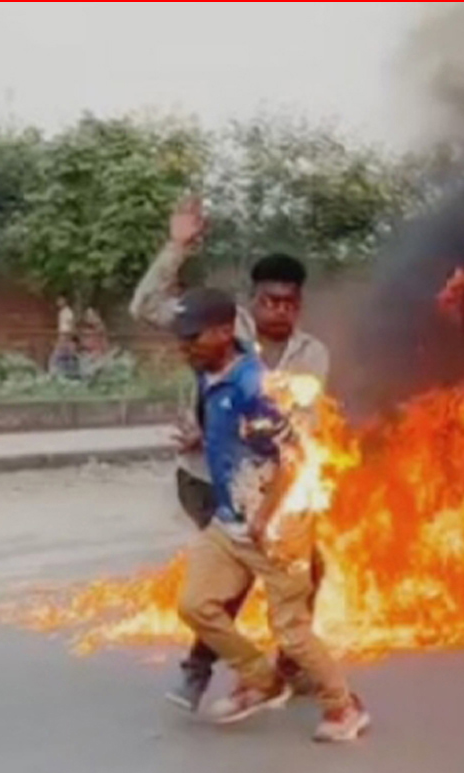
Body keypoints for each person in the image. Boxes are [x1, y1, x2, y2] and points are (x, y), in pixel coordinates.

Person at [130, 196, 332, 710]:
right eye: (270, 300)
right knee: (231, 579)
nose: (279, 310)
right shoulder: (219, 323)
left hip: (271, 486)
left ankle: (289, 666)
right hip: (206, 478)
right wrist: (177, 246)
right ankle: (200, 671)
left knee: (311, 569)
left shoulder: (312, 354)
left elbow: (302, 425)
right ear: (252, 300)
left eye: (290, 303)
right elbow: (146, 307)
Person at [167, 287, 368, 743]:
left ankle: (344, 707)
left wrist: (263, 519)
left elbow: (294, 456)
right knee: (196, 605)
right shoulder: (208, 372)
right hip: (229, 521)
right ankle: (261, 679)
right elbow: (230, 434)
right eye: (181, 338)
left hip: (276, 530)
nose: (183, 347)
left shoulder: (254, 389)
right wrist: (202, 438)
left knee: (291, 632)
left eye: (192, 337)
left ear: (222, 333)